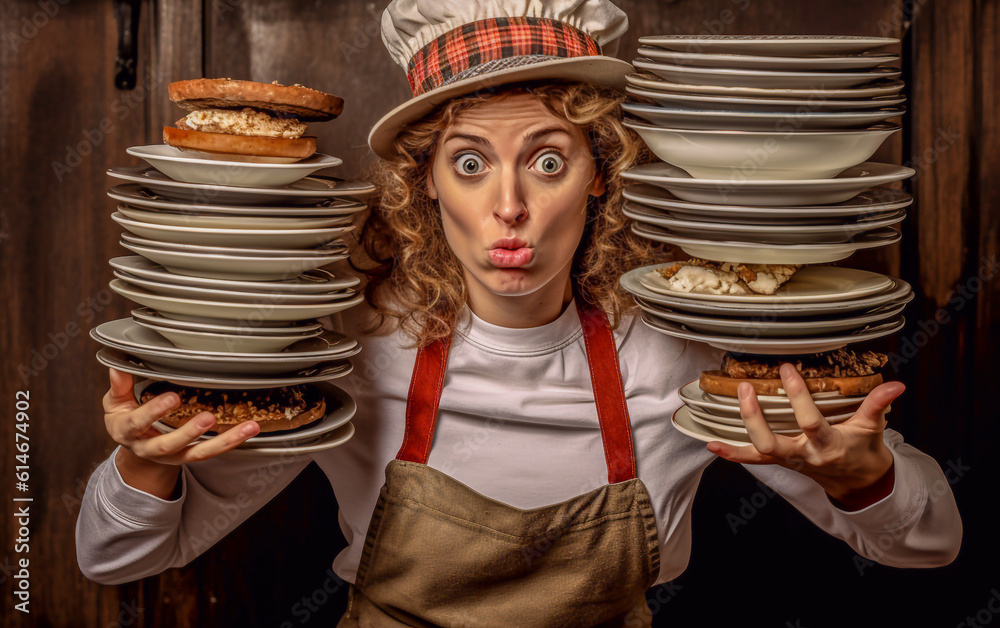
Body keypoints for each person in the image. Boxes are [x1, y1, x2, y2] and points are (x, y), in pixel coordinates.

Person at [77, 0, 962, 625]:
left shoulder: (677, 353)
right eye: (469, 163)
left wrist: (863, 481)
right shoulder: (346, 355)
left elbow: (928, 549)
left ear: (601, 178)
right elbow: (117, 560)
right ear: (422, 187)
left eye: (547, 161)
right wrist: (146, 468)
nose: (509, 206)